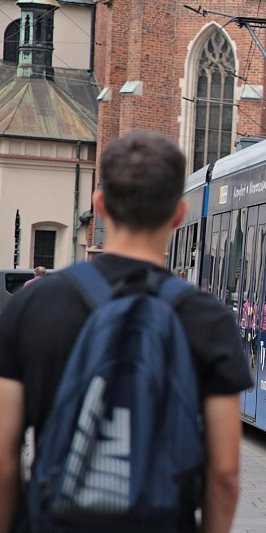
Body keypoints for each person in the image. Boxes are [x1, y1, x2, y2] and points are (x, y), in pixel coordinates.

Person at [0, 131, 251, 532]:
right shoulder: (209, 320)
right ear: (178, 214)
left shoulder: (32, 305)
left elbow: (4, 453)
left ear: (99, 206)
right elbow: (224, 475)